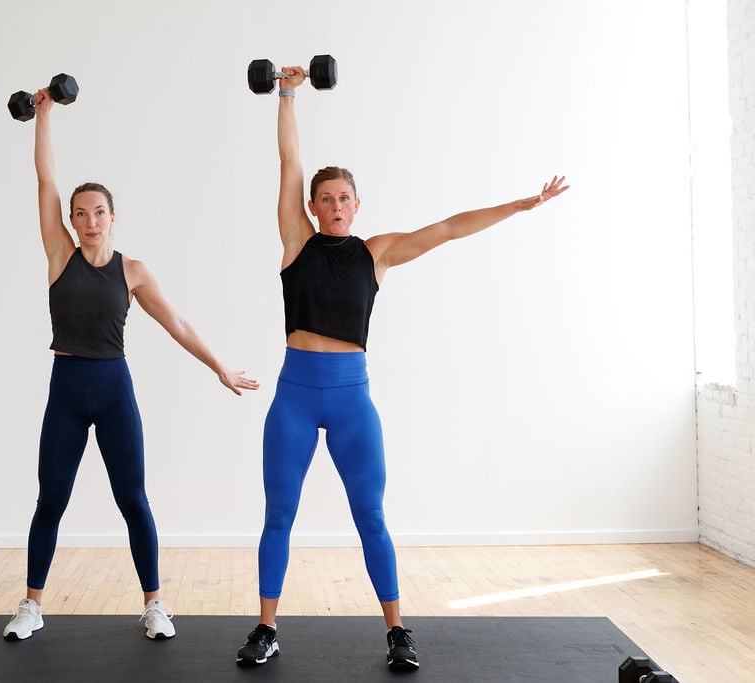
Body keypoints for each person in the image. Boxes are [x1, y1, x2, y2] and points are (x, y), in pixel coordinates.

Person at [234, 67, 569, 671]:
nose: (334, 206)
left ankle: (397, 630)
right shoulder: (295, 240)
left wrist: (523, 204)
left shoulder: (377, 252)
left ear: (358, 205)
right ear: (311, 206)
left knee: (371, 515)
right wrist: (287, 96)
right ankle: (265, 626)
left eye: (344, 198)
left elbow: (447, 229)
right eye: (325, 198)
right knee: (279, 512)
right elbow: (288, 160)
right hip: (294, 394)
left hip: (350, 398)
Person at [4, 84, 259, 643]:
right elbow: (46, 179)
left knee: (133, 499)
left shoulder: (133, 271)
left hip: (113, 388)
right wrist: (44, 115)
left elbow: (179, 325)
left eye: (99, 212)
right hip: (66, 386)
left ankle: (155, 603)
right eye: (80, 214)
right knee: (51, 498)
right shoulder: (58, 254)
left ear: (113, 216)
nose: (90, 220)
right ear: (69, 221)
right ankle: (32, 605)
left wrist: (219, 366)